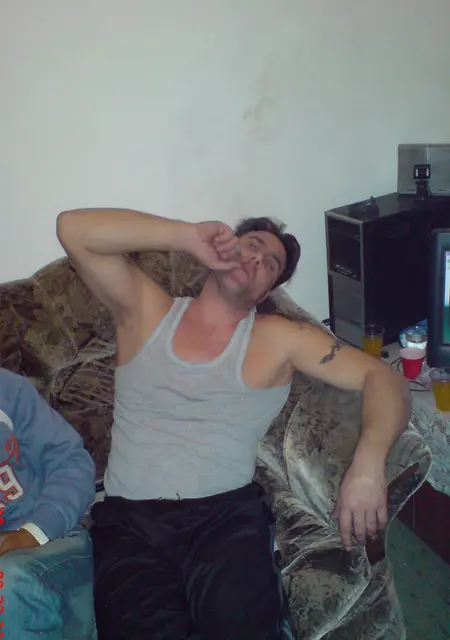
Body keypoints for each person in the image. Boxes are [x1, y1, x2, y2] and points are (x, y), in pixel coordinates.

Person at [57, 208, 410, 640]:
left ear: (267, 291)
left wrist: (369, 463)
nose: (258, 260)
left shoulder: (280, 337)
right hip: (130, 525)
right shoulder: (147, 311)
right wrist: (187, 236)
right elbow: (72, 229)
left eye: (271, 265)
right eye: (252, 246)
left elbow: (385, 378)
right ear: (223, 249)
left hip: (225, 521)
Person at [0, 367, 96, 639]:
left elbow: (72, 463)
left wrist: (34, 532)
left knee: (8, 582)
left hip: (52, 540)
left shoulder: (8, 391)